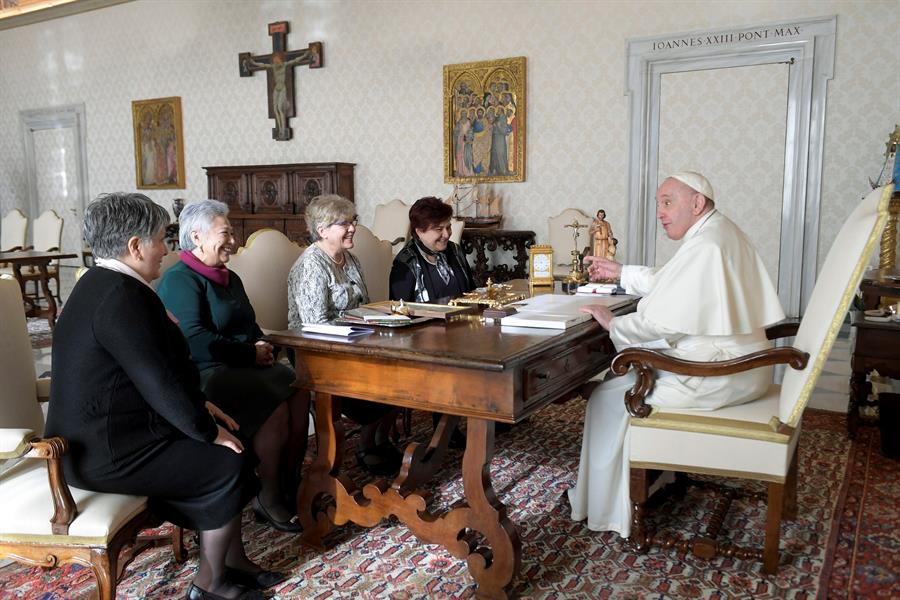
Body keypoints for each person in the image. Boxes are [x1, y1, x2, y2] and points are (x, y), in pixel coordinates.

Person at [45, 193, 281, 600]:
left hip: (116, 432)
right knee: (228, 460)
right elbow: (157, 379)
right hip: (106, 452)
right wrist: (205, 431)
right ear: (135, 246)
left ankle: (233, 561)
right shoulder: (119, 296)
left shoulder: (105, 283)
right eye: (160, 239)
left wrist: (202, 408)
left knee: (234, 440)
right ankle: (210, 584)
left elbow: (148, 372)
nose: (166, 249)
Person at [568, 172, 785, 538]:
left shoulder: (707, 244)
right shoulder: (717, 231)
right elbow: (674, 281)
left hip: (721, 376)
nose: (660, 213)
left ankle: (606, 508)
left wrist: (614, 325)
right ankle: (655, 476)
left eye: (667, 203)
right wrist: (621, 273)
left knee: (610, 396)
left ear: (696, 203)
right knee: (623, 377)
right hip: (740, 367)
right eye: (659, 204)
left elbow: (661, 324)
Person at [157, 199, 306, 533]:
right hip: (206, 374)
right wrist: (249, 355)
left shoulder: (230, 277)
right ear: (196, 237)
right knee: (277, 402)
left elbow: (249, 324)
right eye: (225, 233)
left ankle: (290, 484)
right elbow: (195, 340)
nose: (234, 241)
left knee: (299, 388)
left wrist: (262, 346)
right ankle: (266, 496)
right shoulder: (180, 280)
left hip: (241, 367)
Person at [287, 194, 401, 476]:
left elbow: (363, 305)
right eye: (344, 223)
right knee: (380, 381)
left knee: (402, 370)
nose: (352, 228)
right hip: (314, 348)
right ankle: (366, 446)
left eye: (354, 221)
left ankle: (375, 441)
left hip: (354, 340)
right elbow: (314, 325)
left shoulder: (349, 258)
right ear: (322, 230)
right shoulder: (311, 265)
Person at [389, 197, 475, 447]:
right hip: (423, 337)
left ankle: (491, 415)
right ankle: (445, 427)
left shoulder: (456, 251)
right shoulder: (405, 262)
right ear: (419, 230)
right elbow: (400, 310)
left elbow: (471, 291)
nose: (447, 234)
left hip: (460, 328)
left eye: (448, 226)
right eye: (439, 229)